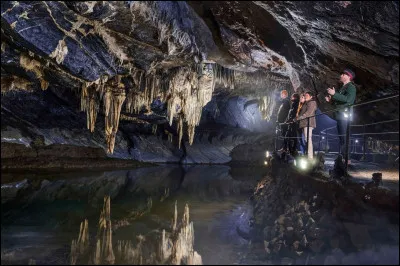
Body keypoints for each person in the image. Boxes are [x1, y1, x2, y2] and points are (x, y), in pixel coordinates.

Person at [325, 69, 357, 158]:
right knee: (342, 137)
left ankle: (347, 158)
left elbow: (349, 100)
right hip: (340, 115)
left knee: (344, 137)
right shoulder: (342, 88)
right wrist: (331, 100)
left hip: (344, 115)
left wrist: (335, 94)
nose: (341, 75)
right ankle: (344, 157)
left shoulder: (351, 87)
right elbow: (339, 101)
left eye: (343, 74)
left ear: (348, 76)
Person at [294, 91, 317, 159]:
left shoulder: (312, 102)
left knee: (308, 139)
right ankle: (308, 154)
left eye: (307, 95)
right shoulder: (305, 103)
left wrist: (299, 118)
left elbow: (309, 113)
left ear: (311, 96)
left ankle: (310, 157)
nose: (305, 96)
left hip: (308, 123)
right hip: (304, 123)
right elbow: (301, 112)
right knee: (307, 140)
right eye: (305, 95)